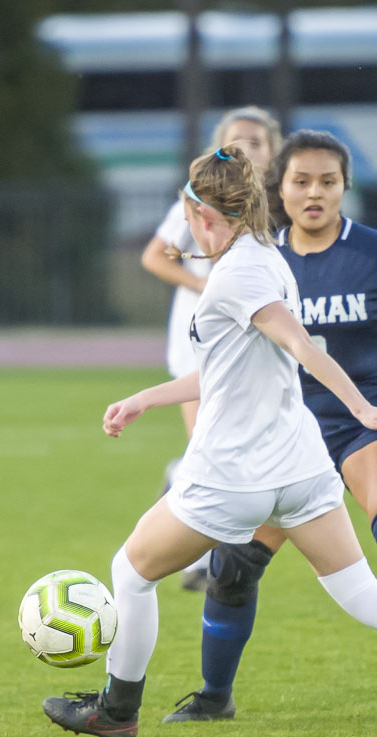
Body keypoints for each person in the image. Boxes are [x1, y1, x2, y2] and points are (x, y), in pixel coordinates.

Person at [41, 145, 377, 737]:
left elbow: (302, 347)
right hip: (300, 465)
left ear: (203, 214)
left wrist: (362, 409)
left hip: (235, 474)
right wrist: (148, 397)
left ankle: (117, 709)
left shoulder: (240, 273)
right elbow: (232, 366)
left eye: (187, 212)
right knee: (361, 592)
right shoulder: (267, 255)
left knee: (130, 571)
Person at [165, 129, 377, 725]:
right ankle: (213, 696)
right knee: (233, 566)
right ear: (277, 187)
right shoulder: (260, 259)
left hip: (368, 423)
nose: (314, 192)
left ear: (344, 187)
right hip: (286, 438)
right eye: (300, 180)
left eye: (327, 181)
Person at [139, 107, 281, 591]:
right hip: (197, 340)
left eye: (258, 141)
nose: (248, 147)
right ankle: (201, 563)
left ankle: (191, 513)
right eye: (238, 139)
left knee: (223, 447)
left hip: (244, 344)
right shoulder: (199, 197)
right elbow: (154, 256)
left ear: (273, 148)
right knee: (212, 448)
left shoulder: (280, 203)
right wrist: (209, 289)